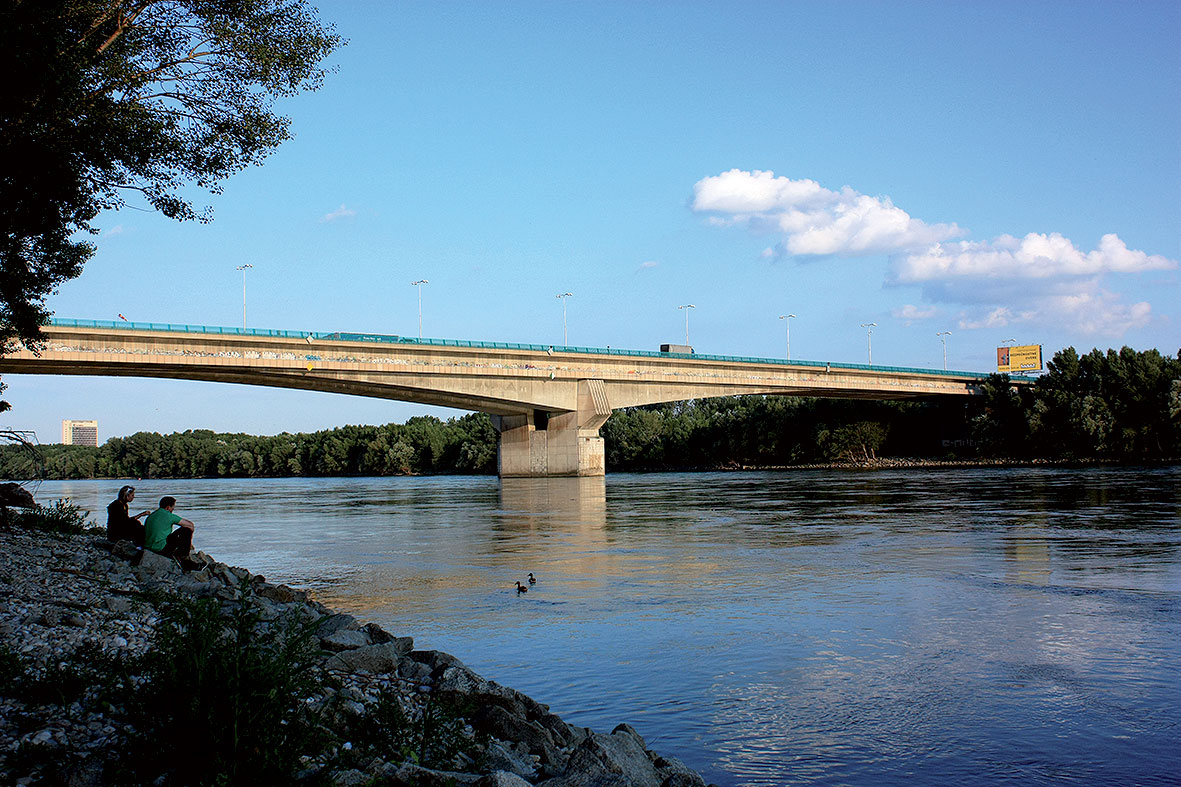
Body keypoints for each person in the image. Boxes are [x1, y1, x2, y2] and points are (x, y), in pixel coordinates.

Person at [144, 496, 197, 563]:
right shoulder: (168, 515)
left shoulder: (152, 515)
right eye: (173, 507)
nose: (173, 509)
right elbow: (190, 525)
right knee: (186, 530)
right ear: (168, 507)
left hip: (148, 545)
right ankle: (183, 556)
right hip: (161, 548)